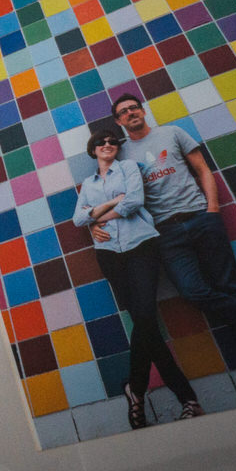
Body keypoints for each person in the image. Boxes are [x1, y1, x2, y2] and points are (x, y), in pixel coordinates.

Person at [93, 93, 236, 402]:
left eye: (134, 107)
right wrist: (95, 222)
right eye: (124, 112)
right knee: (195, 292)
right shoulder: (121, 156)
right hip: (165, 234)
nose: (131, 113)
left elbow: (202, 169)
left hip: (202, 218)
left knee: (231, 293)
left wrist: (212, 209)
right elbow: (112, 194)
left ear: (142, 111)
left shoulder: (173, 133)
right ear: (119, 121)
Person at [74, 127, 202, 427]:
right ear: (93, 149)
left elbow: (134, 202)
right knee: (148, 327)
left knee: (144, 317)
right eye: (101, 142)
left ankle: (136, 387)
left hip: (141, 246)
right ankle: (187, 399)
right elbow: (78, 218)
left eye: (112, 141)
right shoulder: (88, 184)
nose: (108, 144)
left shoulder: (129, 167)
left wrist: (97, 216)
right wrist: (106, 207)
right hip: (109, 254)